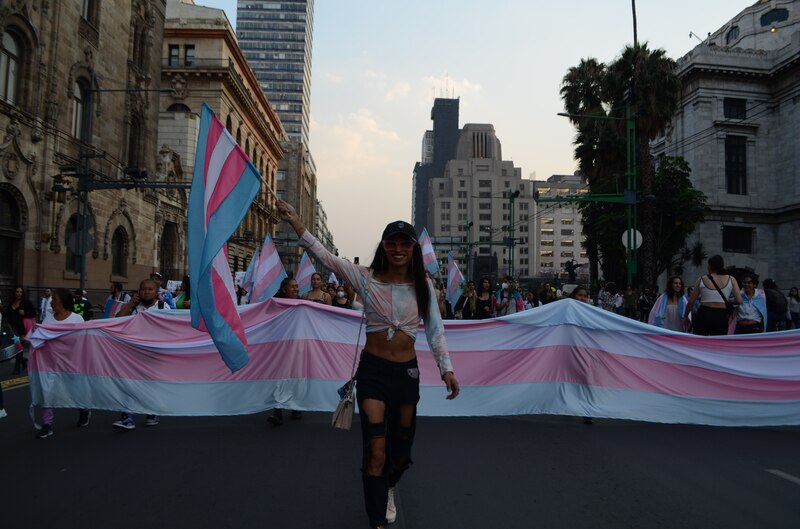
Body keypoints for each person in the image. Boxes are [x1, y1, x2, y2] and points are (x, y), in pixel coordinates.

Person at [278, 200, 459, 529]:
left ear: (413, 250)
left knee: (401, 450)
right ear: (384, 248)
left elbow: (435, 330)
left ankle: (390, 483)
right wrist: (296, 223)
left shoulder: (424, 287)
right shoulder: (366, 278)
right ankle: (376, 518)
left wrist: (446, 368)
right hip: (373, 373)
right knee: (375, 449)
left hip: (406, 375)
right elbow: (326, 258)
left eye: (405, 243)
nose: (399, 249)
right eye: (392, 243)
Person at [111, 279, 171, 430]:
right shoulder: (133, 307)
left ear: (156, 293)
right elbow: (118, 320)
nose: (146, 291)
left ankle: (151, 411)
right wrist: (130, 305)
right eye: (143, 289)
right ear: (139, 292)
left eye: (150, 289)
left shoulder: (164, 307)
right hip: (134, 352)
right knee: (129, 382)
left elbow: (171, 328)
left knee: (150, 384)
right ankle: (127, 417)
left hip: (154, 353)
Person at [36, 288, 92, 438]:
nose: (51, 302)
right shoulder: (48, 318)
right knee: (47, 391)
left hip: (72, 363)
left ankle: (84, 410)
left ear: (63, 302)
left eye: (54, 299)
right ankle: (47, 424)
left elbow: (83, 341)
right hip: (51, 363)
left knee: (76, 391)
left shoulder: (77, 319)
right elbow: (42, 337)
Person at [267, 277, 302, 426]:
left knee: (295, 377)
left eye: (297, 286)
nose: (296, 289)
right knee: (280, 378)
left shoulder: (302, 304)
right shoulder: (275, 304)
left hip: (297, 346)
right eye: (292, 287)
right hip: (280, 347)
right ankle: (278, 411)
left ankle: (295, 407)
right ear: (284, 289)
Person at [683, 255, 743, 336]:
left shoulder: (702, 279)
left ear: (710, 266)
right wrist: (727, 300)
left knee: (700, 342)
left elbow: (691, 302)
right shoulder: (731, 279)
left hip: (704, 313)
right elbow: (739, 301)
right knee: (718, 343)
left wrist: (686, 316)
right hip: (721, 315)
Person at [2, 286, 36, 374]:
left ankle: (17, 368)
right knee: (15, 347)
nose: (19, 293)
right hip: (12, 329)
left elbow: (33, 313)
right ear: (14, 293)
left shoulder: (26, 303)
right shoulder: (11, 303)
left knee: (19, 348)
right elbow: (8, 315)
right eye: (17, 292)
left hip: (22, 329)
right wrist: (1, 309)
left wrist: (25, 313)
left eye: (21, 292)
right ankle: (24, 362)